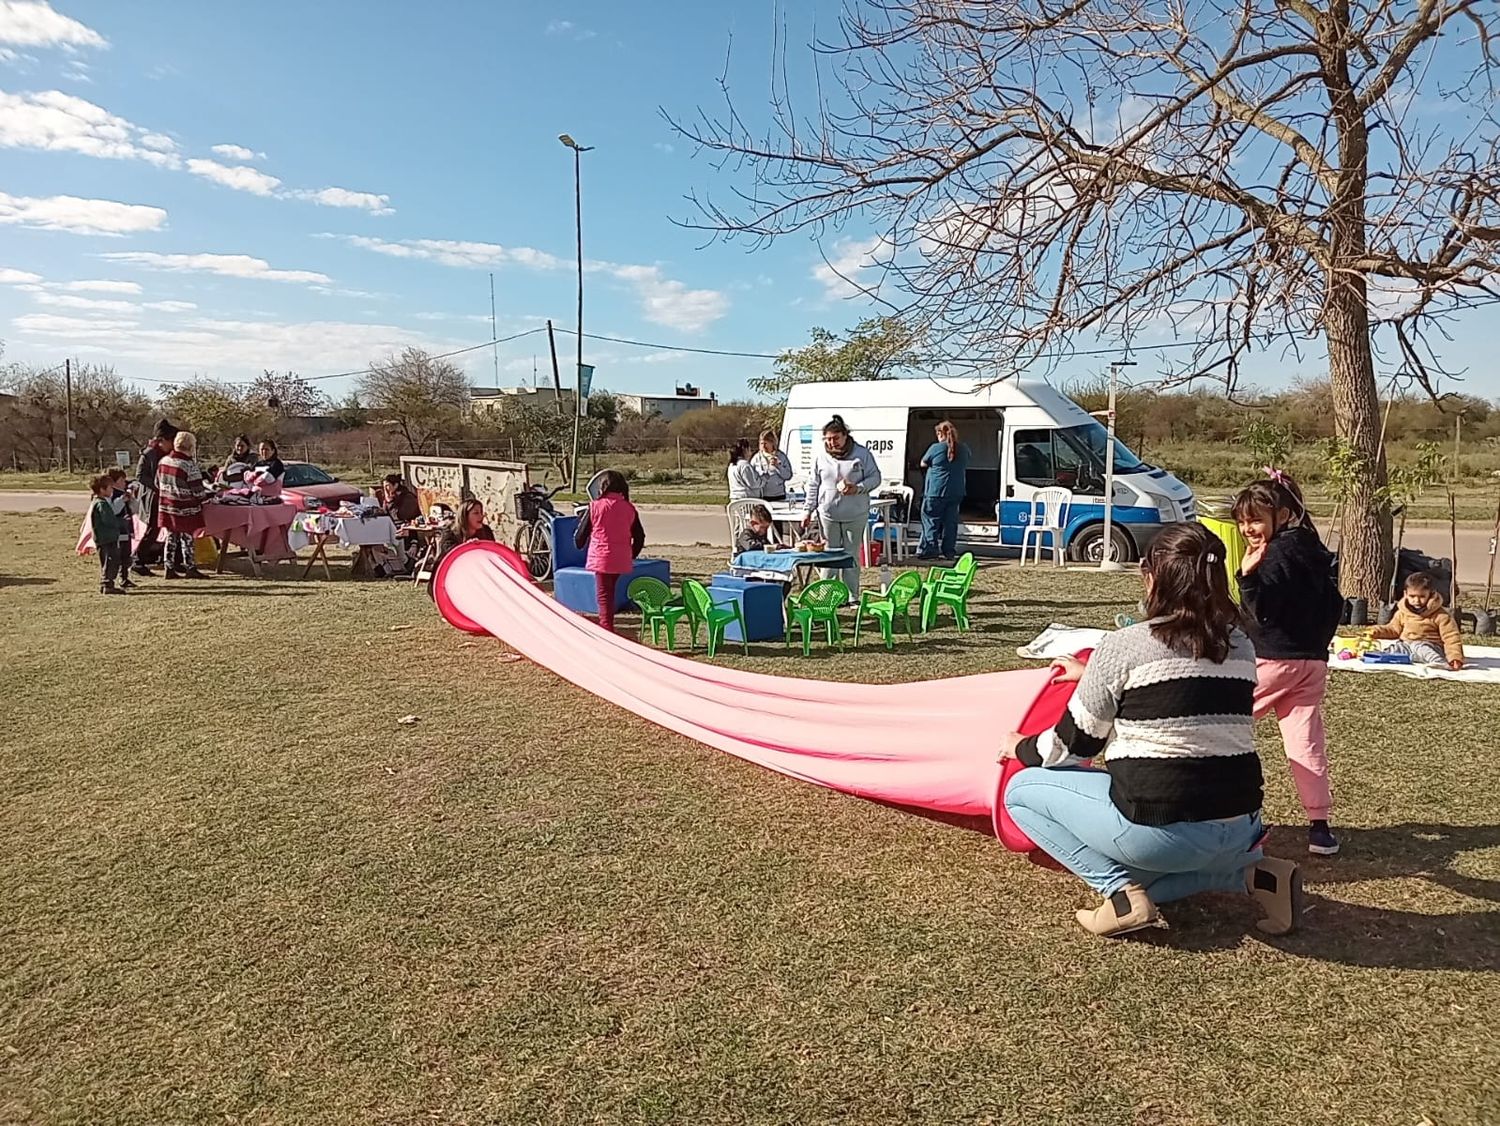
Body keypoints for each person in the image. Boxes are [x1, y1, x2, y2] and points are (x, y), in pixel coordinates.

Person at [1001, 523, 1301, 938]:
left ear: (1152, 576)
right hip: (1241, 828)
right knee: (1161, 874)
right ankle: (1257, 877)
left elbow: (1071, 747)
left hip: (1163, 832)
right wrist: (1095, 676)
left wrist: (1019, 748)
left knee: (1020, 792)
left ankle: (1119, 895)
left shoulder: (1125, 644)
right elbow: (1188, 691)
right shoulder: (1240, 645)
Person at [1233, 471, 1345, 857]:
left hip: (1273, 660)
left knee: (1219, 722)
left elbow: (1262, 611)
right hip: (1312, 664)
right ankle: (1320, 827)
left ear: (1282, 515)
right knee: (1305, 742)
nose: (1248, 528)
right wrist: (1317, 643)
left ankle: (1220, 813)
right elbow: (1336, 605)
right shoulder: (1313, 549)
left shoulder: (1278, 552)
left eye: (1256, 519)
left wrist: (1247, 576)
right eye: (1243, 521)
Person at [801, 414, 880, 599]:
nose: (831, 443)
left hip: (855, 513)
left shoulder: (861, 454)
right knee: (828, 554)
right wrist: (807, 510)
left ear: (845, 436)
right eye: (827, 439)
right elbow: (813, 484)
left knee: (850, 554)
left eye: (835, 438)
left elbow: (875, 477)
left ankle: (852, 596)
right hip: (827, 513)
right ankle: (827, 595)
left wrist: (858, 488)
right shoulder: (821, 457)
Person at [573, 469, 645, 633]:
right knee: (609, 593)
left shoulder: (595, 507)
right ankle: (607, 628)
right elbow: (640, 537)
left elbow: (579, 538)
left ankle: (607, 632)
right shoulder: (629, 508)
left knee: (604, 596)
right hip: (621, 558)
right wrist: (630, 555)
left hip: (601, 558)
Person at [1367, 571, 1464, 670]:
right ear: (1405, 594)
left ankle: (1438, 662)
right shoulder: (1402, 612)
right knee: (1396, 648)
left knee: (1420, 647)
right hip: (1407, 645)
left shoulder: (1441, 615)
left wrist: (1455, 657)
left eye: (1422, 597)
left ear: (1431, 594)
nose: (1416, 601)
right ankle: (1380, 656)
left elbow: (1451, 637)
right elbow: (1393, 629)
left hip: (1430, 647)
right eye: (1412, 596)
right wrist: (1375, 631)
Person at [917, 419, 971, 560]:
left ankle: (930, 550)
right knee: (950, 523)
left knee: (931, 520)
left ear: (940, 434)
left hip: (936, 491)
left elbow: (923, 463)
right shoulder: (964, 448)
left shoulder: (936, 448)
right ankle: (949, 552)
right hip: (956, 491)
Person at [157, 430, 208, 579]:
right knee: (187, 538)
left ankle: (169, 567)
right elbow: (198, 490)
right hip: (185, 507)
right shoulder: (188, 465)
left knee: (171, 537)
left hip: (167, 505)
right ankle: (190, 566)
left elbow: (157, 482)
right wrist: (206, 497)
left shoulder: (164, 461)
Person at [132, 419, 177, 574]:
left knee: (170, 529)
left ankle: (173, 561)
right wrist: (158, 486)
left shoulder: (171, 454)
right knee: (153, 529)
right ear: (162, 440)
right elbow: (140, 475)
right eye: (171, 441)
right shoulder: (149, 454)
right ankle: (137, 561)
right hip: (153, 497)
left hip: (168, 496)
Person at [88, 473, 125, 595]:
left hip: (105, 538)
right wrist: (120, 522)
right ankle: (107, 584)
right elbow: (108, 520)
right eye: (110, 488)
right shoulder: (101, 504)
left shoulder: (100, 502)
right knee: (111, 561)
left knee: (109, 561)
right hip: (107, 538)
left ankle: (107, 584)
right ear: (102, 490)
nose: (112, 490)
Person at [106, 468, 137, 589]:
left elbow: (135, 509)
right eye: (122, 480)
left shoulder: (124, 493)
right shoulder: (111, 495)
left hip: (126, 528)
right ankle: (116, 578)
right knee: (117, 555)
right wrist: (122, 500)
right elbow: (113, 510)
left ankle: (125, 577)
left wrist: (131, 498)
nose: (125, 483)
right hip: (117, 530)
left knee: (126, 555)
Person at [750, 429, 793, 502]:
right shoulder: (756, 458)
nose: (763, 446)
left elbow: (788, 475)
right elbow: (751, 476)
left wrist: (778, 466)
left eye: (766, 443)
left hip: (779, 495)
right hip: (762, 495)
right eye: (761, 443)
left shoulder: (781, 457)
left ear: (772, 443)